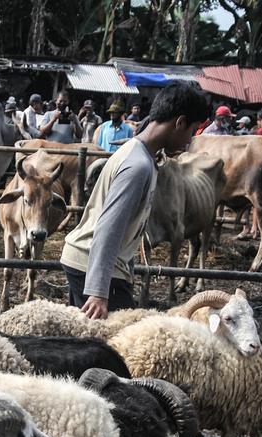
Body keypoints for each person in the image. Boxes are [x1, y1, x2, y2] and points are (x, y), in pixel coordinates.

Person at [60, 83, 207, 319]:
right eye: (192, 131)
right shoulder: (137, 165)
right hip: (96, 268)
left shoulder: (139, 154)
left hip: (89, 263)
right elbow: (110, 227)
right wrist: (98, 292)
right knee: (119, 348)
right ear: (179, 123)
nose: (189, 141)